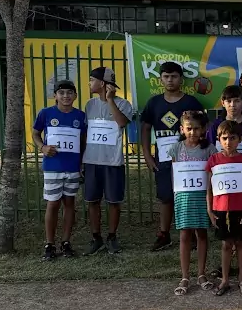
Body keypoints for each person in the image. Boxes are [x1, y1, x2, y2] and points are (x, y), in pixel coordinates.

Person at [140, 61, 203, 252]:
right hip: (164, 159)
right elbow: (145, 128)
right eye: (166, 76)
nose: (170, 80)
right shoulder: (154, 102)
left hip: (188, 160)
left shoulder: (191, 102)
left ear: (181, 79)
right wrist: (147, 156)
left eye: (174, 76)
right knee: (165, 197)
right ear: (160, 79)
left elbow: (201, 128)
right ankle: (164, 234)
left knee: (188, 195)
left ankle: (191, 234)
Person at [32, 80, 87, 260]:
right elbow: (35, 132)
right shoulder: (46, 113)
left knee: (69, 203)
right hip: (53, 166)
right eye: (61, 93)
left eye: (69, 93)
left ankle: (66, 242)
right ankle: (49, 244)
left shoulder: (80, 116)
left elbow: (83, 140)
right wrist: (42, 147)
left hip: (72, 167)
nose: (66, 96)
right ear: (55, 95)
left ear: (75, 96)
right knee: (53, 203)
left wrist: (82, 163)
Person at [82, 67, 133, 255]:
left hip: (113, 162)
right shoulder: (89, 105)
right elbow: (86, 133)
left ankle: (112, 236)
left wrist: (110, 100)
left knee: (113, 201)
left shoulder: (124, 104)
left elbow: (121, 123)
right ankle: (96, 237)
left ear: (102, 83)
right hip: (92, 161)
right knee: (92, 200)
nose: (89, 83)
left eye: (91, 80)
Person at [167, 111, 216, 295]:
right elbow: (174, 173)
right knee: (185, 236)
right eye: (189, 128)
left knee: (201, 234)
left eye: (196, 128)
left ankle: (201, 273)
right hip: (183, 197)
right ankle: (185, 276)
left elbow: (213, 174)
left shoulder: (209, 149)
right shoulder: (176, 149)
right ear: (182, 129)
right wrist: (175, 193)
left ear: (203, 129)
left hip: (202, 197)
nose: (193, 132)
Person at [206, 120, 242, 296]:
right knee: (226, 244)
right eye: (224, 138)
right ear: (218, 139)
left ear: (240, 139)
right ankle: (225, 279)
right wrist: (210, 210)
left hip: (240, 208)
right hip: (220, 209)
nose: (228, 142)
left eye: (232, 138)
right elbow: (209, 188)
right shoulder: (213, 160)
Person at [206, 85, 242, 153]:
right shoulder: (216, 125)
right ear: (223, 103)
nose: (232, 105)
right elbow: (209, 148)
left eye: (237, 101)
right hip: (221, 163)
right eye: (229, 101)